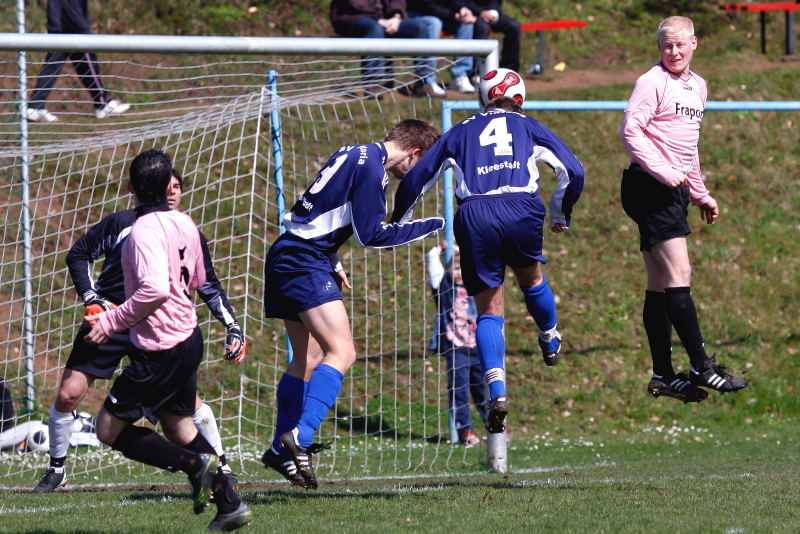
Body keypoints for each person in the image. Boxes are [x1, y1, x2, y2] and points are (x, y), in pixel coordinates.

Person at [390, 75, 584, 436]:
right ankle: (549, 334)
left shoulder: (460, 130)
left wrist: (398, 223)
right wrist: (560, 213)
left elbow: (417, 178)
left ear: (483, 100)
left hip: (475, 214)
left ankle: (498, 393)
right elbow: (573, 170)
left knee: (489, 310)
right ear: (520, 100)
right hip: (521, 207)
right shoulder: (529, 126)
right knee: (532, 280)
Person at [33, 167, 246, 494]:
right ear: (147, 188)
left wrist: (232, 325)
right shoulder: (123, 223)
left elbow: (207, 285)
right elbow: (79, 254)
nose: (172, 192)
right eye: (166, 186)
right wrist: (93, 299)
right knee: (69, 394)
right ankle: (56, 469)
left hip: (160, 328)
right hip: (111, 319)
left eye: (177, 187)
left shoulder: (185, 229)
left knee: (182, 415)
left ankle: (221, 469)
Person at [260, 120, 444, 489]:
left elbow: (321, 208)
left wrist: (333, 258)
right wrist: (433, 224)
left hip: (287, 251)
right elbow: (371, 236)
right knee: (342, 352)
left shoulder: (353, 151)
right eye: (423, 166)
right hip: (304, 260)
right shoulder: (374, 172)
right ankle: (299, 437)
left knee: (308, 358)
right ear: (415, 154)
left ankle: (281, 451)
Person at [82, 149, 251, 531]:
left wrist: (111, 321)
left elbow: (155, 290)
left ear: (131, 187)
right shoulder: (185, 223)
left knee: (107, 430)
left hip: (160, 347)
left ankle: (194, 464)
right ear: (167, 186)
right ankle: (230, 505)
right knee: (179, 426)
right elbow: (198, 280)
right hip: (189, 337)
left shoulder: (142, 231)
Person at [619, 16, 748, 401]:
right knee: (681, 272)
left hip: (670, 190)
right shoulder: (652, 81)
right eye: (666, 46)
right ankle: (701, 366)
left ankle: (662, 374)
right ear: (659, 47)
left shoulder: (698, 86)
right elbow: (630, 131)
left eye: (680, 45)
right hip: (649, 186)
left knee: (659, 282)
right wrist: (662, 171)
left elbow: (687, 147)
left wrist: (699, 192)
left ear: (694, 43)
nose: (673, 52)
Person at [26, 0, 131, 123]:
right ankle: (102, 104)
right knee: (87, 65)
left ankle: (35, 106)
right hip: (73, 30)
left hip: (62, 28)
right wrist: (82, 29)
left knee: (56, 67)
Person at [427, 244, 486, 446]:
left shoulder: (477, 285)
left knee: (483, 391)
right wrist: (443, 248)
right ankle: (466, 432)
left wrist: (465, 247)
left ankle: (495, 427)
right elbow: (432, 259)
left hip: (478, 348)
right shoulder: (443, 285)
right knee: (459, 391)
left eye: (463, 268)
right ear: (447, 269)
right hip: (456, 350)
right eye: (455, 267)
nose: (460, 272)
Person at [329, 0, 444, 98]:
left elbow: (397, 2)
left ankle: (423, 83)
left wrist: (396, 17)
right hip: (352, 18)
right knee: (375, 29)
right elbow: (354, 5)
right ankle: (372, 84)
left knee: (420, 28)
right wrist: (378, 19)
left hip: (385, 20)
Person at [407, 0, 477, 93]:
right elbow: (426, 6)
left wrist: (462, 9)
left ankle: (460, 76)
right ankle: (428, 80)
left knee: (466, 24)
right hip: (417, 13)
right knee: (434, 23)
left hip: (442, 15)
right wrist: (453, 16)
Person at [466, 0, 521, 74]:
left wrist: (493, 12)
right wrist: (480, 12)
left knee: (514, 26)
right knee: (483, 28)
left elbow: (496, 1)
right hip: (470, 14)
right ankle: (477, 72)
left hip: (491, 14)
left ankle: (509, 70)